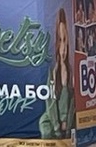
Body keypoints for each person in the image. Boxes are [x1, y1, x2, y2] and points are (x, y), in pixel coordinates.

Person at [39, 8, 76, 140]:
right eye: (60, 40)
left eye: (65, 40)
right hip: (53, 122)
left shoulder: (72, 71)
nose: (63, 47)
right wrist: (56, 126)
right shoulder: (52, 71)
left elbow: (72, 102)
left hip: (68, 125)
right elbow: (50, 102)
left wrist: (66, 123)